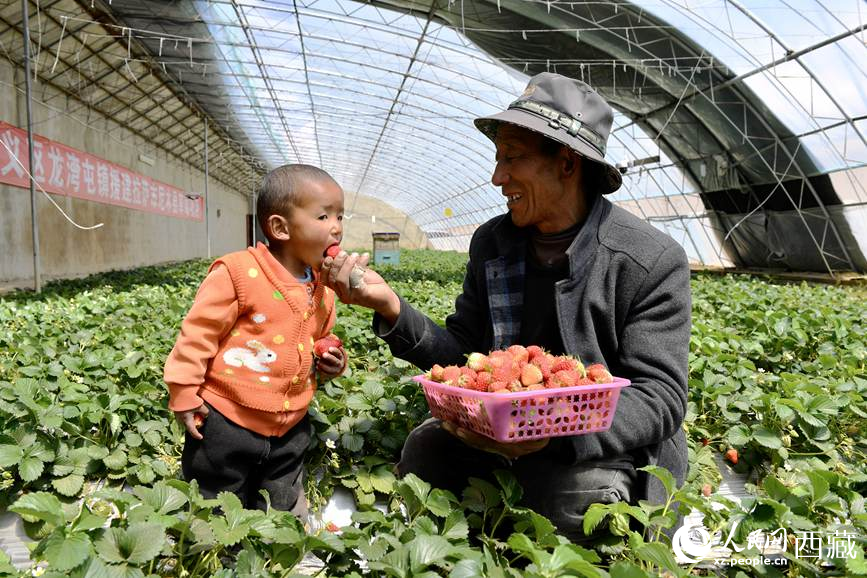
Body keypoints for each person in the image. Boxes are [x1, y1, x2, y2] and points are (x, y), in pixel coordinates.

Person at [323, 73, 691, 541]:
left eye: (513, 159)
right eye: (498, 160)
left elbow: (659, 397)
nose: (499, 178)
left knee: (570, 500)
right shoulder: (493, 243)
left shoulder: (647, 259)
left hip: (598, 448)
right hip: (500, 431)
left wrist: (551, 430)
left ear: (568, 163)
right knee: (424, 455)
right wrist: (391, 307)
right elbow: (464, 356)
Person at [164, 164, 347, 516]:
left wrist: (333, 359)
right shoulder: (237, 273)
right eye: (323, 216)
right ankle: (215, 555)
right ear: (280, 227)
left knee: (280, 498)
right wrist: (183, 393)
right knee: (214, 497)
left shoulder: (323, 288)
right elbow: (197, 334)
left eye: (340, 216)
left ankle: (276, 547)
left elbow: (322, 337)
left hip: (292, 422)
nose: (336, 227)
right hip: (226, 420)